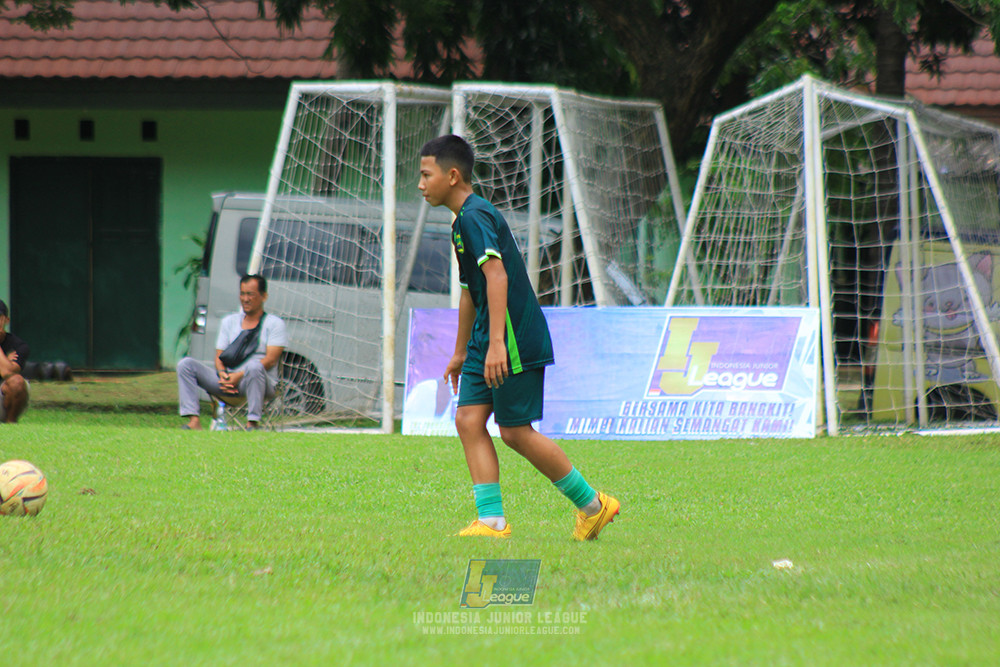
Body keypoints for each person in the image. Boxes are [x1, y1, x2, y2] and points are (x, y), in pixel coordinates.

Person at [418, 134, 620, 540]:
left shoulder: (474, 216)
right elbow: (469, 289)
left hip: (509, 338)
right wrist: (460, 352)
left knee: (514, 431)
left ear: (452, 176)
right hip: (485, 338)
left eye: (426, 175)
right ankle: (491, 521)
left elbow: (497, 276)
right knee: (469, 419)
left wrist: (496, 345)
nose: (421, 184)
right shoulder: (462, 221)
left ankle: (594, 506)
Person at [176, 274, 287, 430]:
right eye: (242, 294)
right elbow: (219, 357)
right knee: (185, 364)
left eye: (251, 294)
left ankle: (252, 423)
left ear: (264, 296)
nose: (245, 299)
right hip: (227, 381)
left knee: (255, 366)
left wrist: (239, 376)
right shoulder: (229, 321)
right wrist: (223, 374)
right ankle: (194, 421)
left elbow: (270, 360)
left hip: (258, 382)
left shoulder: (275, 324)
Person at [0, 299, 30, 424]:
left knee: (17, 382)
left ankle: (10, 423)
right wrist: (6, 360)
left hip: (2, 399)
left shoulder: (19, 346)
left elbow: (7, 373)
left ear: (6, 320)